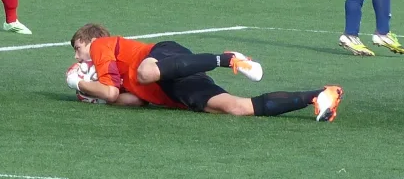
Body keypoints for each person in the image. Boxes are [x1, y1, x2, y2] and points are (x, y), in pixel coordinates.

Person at [67, 23, 344, 122]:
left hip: (163, 57)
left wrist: (77, 83)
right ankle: (319, 96)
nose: (78, 56)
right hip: (173, 87)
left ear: (90, 40)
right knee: (236, 108)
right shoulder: (110, 74)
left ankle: (225, 59)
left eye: (78, 48)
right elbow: (129, 99)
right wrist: (95, 94)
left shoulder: (102, 45)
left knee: (145, 72)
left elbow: (111, 90)